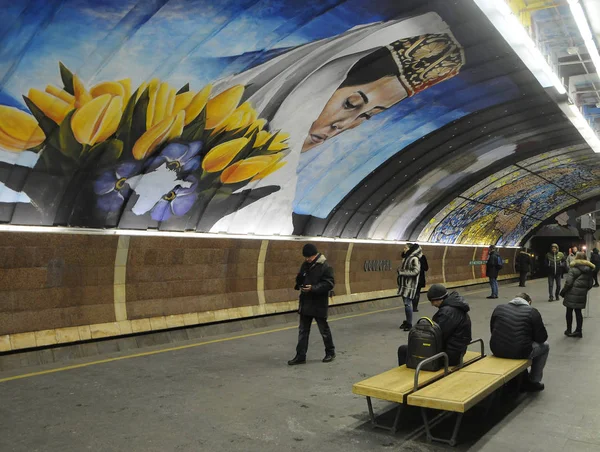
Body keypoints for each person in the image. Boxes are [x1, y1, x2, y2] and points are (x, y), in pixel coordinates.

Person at [208, 12, 465, 236]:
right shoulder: (200, 117)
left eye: (367, 116)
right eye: (351, 104)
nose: (343, 124)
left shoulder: (278, 187)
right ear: (319, 84)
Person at [397, 284, 471, 367]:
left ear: (439, 299)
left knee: (403, 350)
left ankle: (409, 376)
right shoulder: (455, 305)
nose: (432, 304)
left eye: (432, 301)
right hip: (458, 350)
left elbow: (436, 336)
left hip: (449, 356)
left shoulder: (447, 313)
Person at [489, 293, 549, 391]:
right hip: (520, 351)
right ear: (529, 302)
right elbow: (542, 338)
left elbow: (493, 330)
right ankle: (534, 380)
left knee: (513, 342)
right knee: (545, 347)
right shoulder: (532, 312)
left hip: (497, 349)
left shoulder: (499, 308)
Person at [288, 243, 336, 365]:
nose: (307, 259)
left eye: (309, 257)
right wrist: (299, 282)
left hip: (319, 303)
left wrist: (313, 288)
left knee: (324, 330)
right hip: (305, 303)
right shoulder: (305, 265)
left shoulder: (325, 266)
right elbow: (301, 278)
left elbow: (329, 283)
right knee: (303, 331)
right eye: (306, 257)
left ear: (315, 255)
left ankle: (330, 352)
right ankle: (300, 356)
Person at [560, 251, 595, 338]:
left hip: (571, 293)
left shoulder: (573, 268)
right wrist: (584, 290)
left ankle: (568, 330)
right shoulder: (589, 270)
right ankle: (578, 331)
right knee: (578, 312)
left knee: (569, 311)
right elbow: (591, 284)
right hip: (582, 294)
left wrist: (563, 292)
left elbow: (568, 282)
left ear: (577, 258)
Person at [397, 243, 422, 331]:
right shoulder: (406, 258)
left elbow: (416, 271)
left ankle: (409, 324)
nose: (404, 249)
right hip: (404, 285)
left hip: (409, 285)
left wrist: (402, 272)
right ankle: (407, 321)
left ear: (410, 249)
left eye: (405, 247)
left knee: (408, 304)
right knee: (406, 304)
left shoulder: (414, 259)